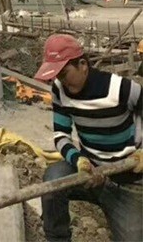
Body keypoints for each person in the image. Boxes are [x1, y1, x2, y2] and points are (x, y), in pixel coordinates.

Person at [35, 32, 142, 241]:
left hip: (127, 181)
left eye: (64, 73)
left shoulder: (121, 88)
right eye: (56, 76)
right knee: (52, 183)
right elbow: (61, 135)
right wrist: (79, 160)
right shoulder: (59, 90)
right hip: (89, 172)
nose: (61, 81)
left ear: (83, 65)